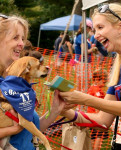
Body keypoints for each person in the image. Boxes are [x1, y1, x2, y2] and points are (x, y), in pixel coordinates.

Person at [52, 3, 121, 150]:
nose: (96, 35)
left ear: (120, 27)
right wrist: (63, 109)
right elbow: (103, 121)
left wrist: (84, 99)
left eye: (100, 27)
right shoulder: (118, 64)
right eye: (94, 29)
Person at [0, 14, 74, 150]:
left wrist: (55, 110)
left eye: (23, 38)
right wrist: (12, 130)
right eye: (15, 37)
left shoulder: (19, 84)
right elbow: (18, 128)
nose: (22, 43)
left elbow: (29, 131)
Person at [87, 68, 109, 150]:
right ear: (97, 79)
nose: (104, 84)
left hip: (90, 117)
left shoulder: (91, 88)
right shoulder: (97, 90)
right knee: (99, 136)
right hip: (97, 118)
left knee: (93, 136)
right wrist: (101, 115)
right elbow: (98, 104)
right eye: (103, 82)